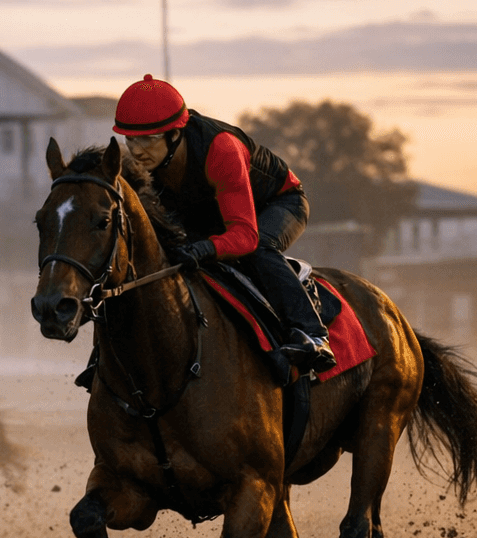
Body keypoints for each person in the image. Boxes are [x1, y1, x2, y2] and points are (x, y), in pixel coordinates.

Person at [112, 74, 335, 374]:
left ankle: (312, 333)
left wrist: (204, 248)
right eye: (130, 139)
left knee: (258, 251)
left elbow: (245, 236)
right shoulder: (145, 165)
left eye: (148, 139)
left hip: (277, 204)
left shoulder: (221, 149)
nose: (137, 151)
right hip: (213, 212)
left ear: (175, 134)